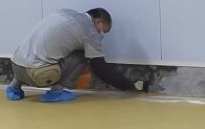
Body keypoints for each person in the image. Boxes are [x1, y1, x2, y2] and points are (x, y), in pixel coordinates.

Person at [7, 7, 140, 103]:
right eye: (102, 31)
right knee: (84, 54)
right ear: (98, 22)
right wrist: (128, 86)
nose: (101, 35)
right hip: (37, 75)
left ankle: (14, 88)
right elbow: (100, 69)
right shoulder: (89, 32)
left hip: (16, 67)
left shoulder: (64, 12)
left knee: (37, 52)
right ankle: (56, 92)